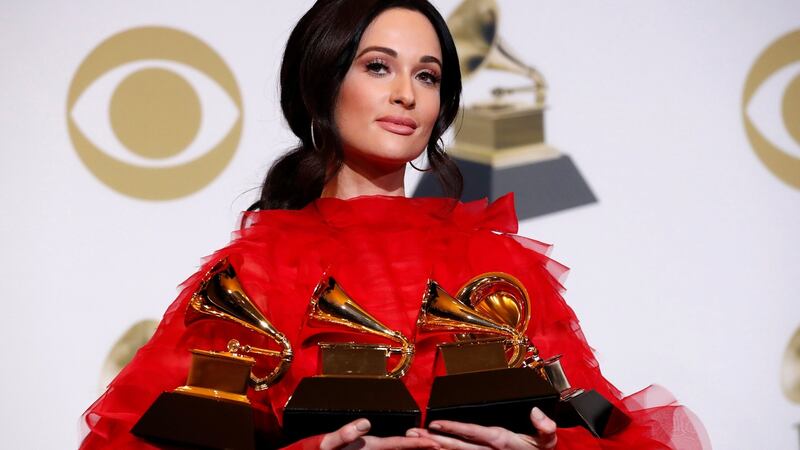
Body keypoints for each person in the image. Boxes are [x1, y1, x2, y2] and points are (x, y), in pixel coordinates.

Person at [80, 1, 709, 449]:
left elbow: (610, 434)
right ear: (322, 84)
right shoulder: (254, 275)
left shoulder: (498, 270)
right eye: (378, 66)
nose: (406, 93)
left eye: (427, 76)